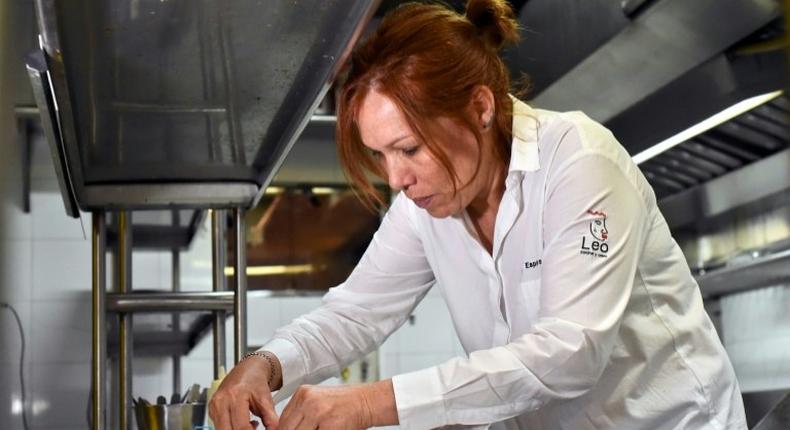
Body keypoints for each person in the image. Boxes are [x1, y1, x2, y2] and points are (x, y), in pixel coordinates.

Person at [209, 1, 748, 429]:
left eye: (409, 149)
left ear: (481, 107)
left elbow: (570, 353)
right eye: (380, 155)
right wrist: (267, 365)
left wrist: (375, 404)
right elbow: (355, 313)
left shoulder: (579, 162)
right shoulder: (424, 207)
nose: (395, 178)